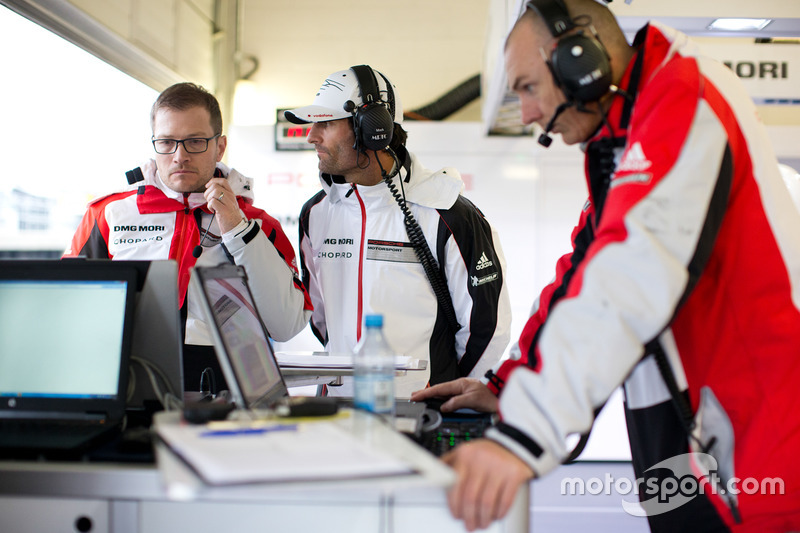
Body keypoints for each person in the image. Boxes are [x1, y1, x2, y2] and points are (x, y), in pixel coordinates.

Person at [411, 1, 800, 531]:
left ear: (581, 60)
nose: (524, 113)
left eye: (527, 87)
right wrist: (507, 386)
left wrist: (525, 434)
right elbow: (580, 275)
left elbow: (628, 275)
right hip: (690, 431)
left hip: (754, 442)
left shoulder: (686, 92)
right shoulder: (628, 136)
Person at [65, 82, 312, 392]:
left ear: (219, 147)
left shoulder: (259, 225)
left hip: (227, 395)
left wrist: (236, 227)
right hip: (127, 389)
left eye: (195, 141)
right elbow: (69, 310)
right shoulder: (108, 214)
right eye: (167, 142)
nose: (179, 155)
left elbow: (287, 325)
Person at [284, 65, 512, 398]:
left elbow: (488, 329)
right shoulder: (316, 213)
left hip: (420, 414)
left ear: (371, 129)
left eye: (327, 123)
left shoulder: (447, 212)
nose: (311, 135)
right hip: (336, 412)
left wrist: (441, 391)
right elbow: (321, 316)